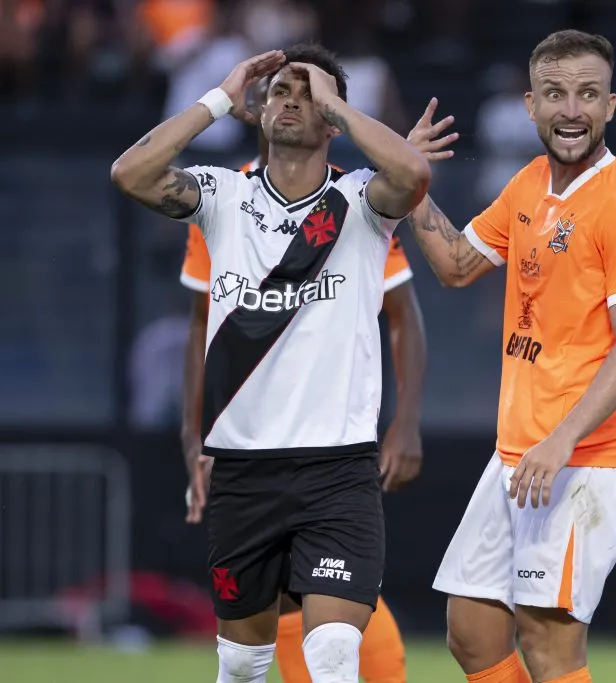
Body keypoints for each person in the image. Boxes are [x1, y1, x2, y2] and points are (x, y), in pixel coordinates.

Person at [111, 42, 431, 683]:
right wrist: (220, 99)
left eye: (309, 93)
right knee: (242, 662)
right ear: (259, 109)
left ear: (334, 114)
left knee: (333, 656)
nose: (292, 100)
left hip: (337, 470)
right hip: (242, 472)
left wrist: (339, 106)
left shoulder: (363, 204)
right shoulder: (219, 196)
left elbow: (414, 175)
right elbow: (131, 173)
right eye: (282, 89)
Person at [404, 30, 616, 683]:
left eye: (586, 94)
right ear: (530, 104)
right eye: (555, 94)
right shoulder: (529, 185)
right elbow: (458, 265)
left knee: (549, 646)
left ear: (610, 106)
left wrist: (561, 440)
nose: (570, 110)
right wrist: (408, 183)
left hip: (582, 460)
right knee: (473, 629)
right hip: (519, 454)